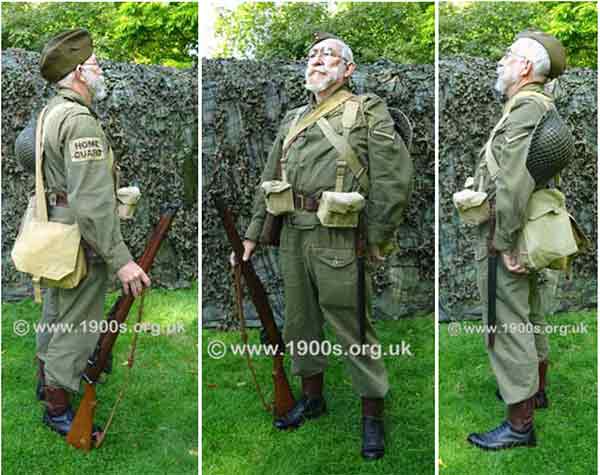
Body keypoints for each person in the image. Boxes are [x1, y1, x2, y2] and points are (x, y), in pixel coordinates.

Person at [233, 32, 412, 460]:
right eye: (312, 55)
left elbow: (393, 181)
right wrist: (254, 234)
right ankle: (313, 397)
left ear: (348, 70)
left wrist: (377, 238)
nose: (317, 60)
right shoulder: (295, 118)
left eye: (328, 55)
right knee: (300, 323)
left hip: (340, 234)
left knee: (354, 330)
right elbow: (270, 175)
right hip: (294, 232)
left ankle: (372, 416)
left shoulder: (369, 111)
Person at [32, 28, 150, 438]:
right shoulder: (79, 120)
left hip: (55, 232)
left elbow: (23, 153)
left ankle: (44, 381)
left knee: (55, 311)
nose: (101, 70)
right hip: (80, 238)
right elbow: (92, 204)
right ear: (80, 71)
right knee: (78, 323)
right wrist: (123, 261)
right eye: (96, 64)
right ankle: (58, 406)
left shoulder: (50, 112)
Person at [465, 31, 569, 450]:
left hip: (509, 229)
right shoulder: (538, 105)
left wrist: (505, 242)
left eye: (507, 55)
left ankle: (519, 425)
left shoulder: (525, 107)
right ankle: (536, 391)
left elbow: (512, 181)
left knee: (506, 323)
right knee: (529, 314)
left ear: (525, 66)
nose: (500, 62)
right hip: (531, 225)